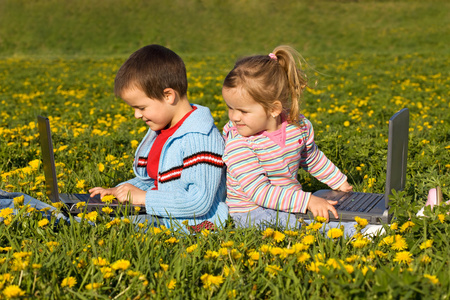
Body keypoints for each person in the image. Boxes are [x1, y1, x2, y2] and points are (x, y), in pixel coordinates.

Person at [89, 44, 228, 231]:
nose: (137, 115)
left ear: (168, 95)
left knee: (110, 226)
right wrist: (120, 190)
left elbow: (199, 201)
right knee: (96, 214)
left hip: (188, 223)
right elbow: (155, 181)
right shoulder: (164, 130)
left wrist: (144, 198)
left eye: (141, 108)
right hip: (161, 212)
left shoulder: (200, 138)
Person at [221, 45, 355, 232]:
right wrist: (307, 200)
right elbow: (260, 193)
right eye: (230, 107)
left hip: (289, 203)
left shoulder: (297, 127)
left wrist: (337, 181)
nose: (234, 117)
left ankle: (364, 223)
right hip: (251, 212)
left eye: (243, 111)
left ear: (274, 109)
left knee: (324, 212)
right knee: (303, 226)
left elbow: (311, 157)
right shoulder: (239, 144)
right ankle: (354, 233)